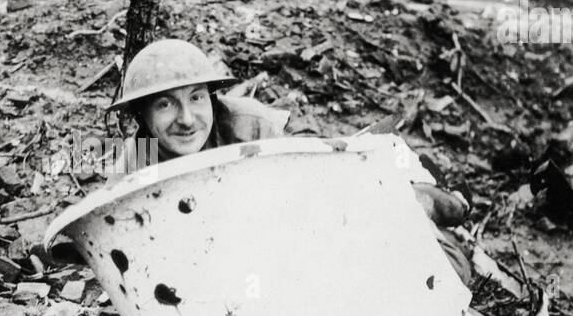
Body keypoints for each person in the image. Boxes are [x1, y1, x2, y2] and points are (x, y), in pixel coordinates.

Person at [108, 38, 474, 285]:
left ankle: (423, 199)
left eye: (197, 98)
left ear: (213, 99)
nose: (187, 118)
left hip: (304, 228)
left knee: (441, 273)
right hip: (228, 262)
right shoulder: (136, 164)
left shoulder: (251, 127)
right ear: (141, 116)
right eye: (165, 104)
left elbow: (315, 198)